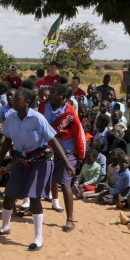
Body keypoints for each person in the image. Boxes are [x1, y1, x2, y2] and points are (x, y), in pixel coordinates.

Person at [0, 87, 68, 251]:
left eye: (17, 98)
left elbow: (53, 140)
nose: (13, 100)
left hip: (41, 159)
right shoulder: (11, 117)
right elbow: (7, 141)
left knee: (34, 198)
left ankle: (38, 238)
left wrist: (67, 163)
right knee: (9, 193)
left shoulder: (38, 118)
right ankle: (5, 226)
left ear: (27, 101)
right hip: (22, 158)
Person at [42, 83, 84, 230]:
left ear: (61, 96)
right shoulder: (44, 106)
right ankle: (33, 208)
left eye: (52, 92)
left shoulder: (70, 113)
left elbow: (79, 134)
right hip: (48, 150)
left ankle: (70, 219)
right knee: (41, 179)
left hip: (68, 152)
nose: (49, 95)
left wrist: (80, 156)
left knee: (65, 184)